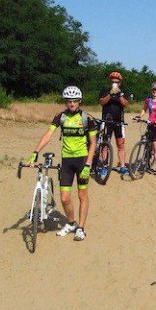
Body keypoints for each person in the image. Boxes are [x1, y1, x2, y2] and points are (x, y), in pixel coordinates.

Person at [25, 86, 97, 241]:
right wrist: (35, 152)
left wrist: (88, 164)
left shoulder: (87, 118)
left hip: (82, 160)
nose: (72, 104)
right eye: (69, 101)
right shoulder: (61, 117)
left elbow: (93, 143)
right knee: (64, 198)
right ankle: (71, 223)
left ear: (80, 101)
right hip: (67, 161)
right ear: (65, 102)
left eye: (75, 101)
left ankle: (81, 228)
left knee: (82, 194)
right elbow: (48, 134)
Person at [99, 71, 130, 175]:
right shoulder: (105, 90)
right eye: (113, 81)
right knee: (105, 145)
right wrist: (110, 94)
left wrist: (119, 94)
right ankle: (104, 166)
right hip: (106, 121)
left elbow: (126, 104)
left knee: (120, 144)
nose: (115, 83)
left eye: (117, 81)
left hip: (119, 122)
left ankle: (122, 166)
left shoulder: (123, 91)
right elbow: (101, 102)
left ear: (120, 82)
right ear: (110, 81)